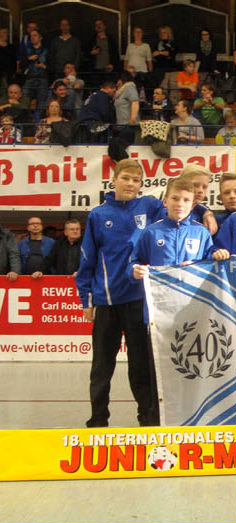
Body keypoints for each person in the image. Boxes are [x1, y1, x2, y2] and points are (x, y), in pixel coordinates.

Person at [75, 158, 165, 428]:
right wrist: (86, 299)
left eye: (136, 180)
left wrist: (206, 212)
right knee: (102, 368)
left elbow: (180, 202)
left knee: (140, 366)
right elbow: (87, 259)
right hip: (107, 301)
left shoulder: (149, 207)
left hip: (138, 301)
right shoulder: (98, 215)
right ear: (114, 180)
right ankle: (98, 420)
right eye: (125, 178)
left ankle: (147, 419)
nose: (130, 184)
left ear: (141, 185)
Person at [130, 176, 224, 282]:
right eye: (175, 198)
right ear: (165, 202)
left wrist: (216, 255)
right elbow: (135, 262)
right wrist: (135, 271)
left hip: (191, 291)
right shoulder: (151, 232)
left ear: (192, 206)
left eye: (186, 200)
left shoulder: (201, 232)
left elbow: (210, 261)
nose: (180, 204)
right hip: (161, 291)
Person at [178, 164, 217, 235]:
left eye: (204, 187)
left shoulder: (203, 216)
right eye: (195, 185)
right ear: (181, 184)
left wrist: (207, 211)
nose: (200, 190)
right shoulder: (164, 210)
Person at [20, 29, 48, 115]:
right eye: (31, 36)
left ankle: (40, 120)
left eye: (35, 35)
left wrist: (43, 66)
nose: (32, 37)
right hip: (29, 78)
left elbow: (52, 66)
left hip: (43, 79)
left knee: (42, 103)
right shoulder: (26, 50)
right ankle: (25, 119)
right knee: (24, 101)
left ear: (40, 37)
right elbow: (21, 65)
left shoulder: (46, 50)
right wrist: (29, 59)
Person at [0, 28, 16, 93]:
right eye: (4, 32)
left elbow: (14, 60)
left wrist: (14, 71)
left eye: (7, 32)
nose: (6, 34)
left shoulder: (11, 47)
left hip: (9, 74)